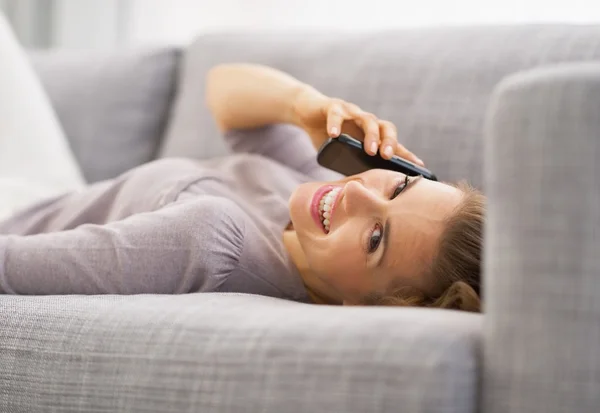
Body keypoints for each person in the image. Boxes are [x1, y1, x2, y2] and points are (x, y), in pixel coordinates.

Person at [0, 14, 484, 311]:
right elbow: (225, 95)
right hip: (39, 188)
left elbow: (10, 267)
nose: (357, 191)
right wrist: (304, 106)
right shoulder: (308, 196)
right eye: (399, 189)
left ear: (371, 308)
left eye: (376, 239)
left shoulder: (214, 241)